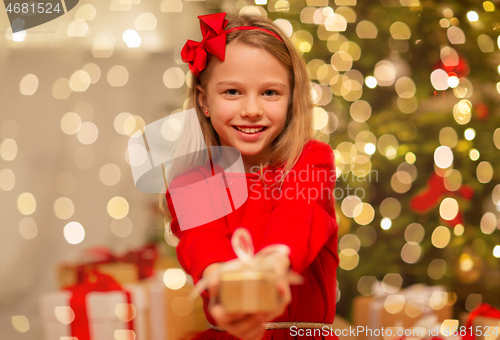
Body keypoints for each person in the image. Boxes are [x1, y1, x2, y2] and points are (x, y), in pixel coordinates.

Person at [163, 12, 339, 340]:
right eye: (232, 92)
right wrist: (226, 289)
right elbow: (203, 244)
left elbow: (296, 221)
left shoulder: (311, 160)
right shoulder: (191, 184)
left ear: (290, 100)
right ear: (204, 100)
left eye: (270, 93)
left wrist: (272, 272)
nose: (252, 109)